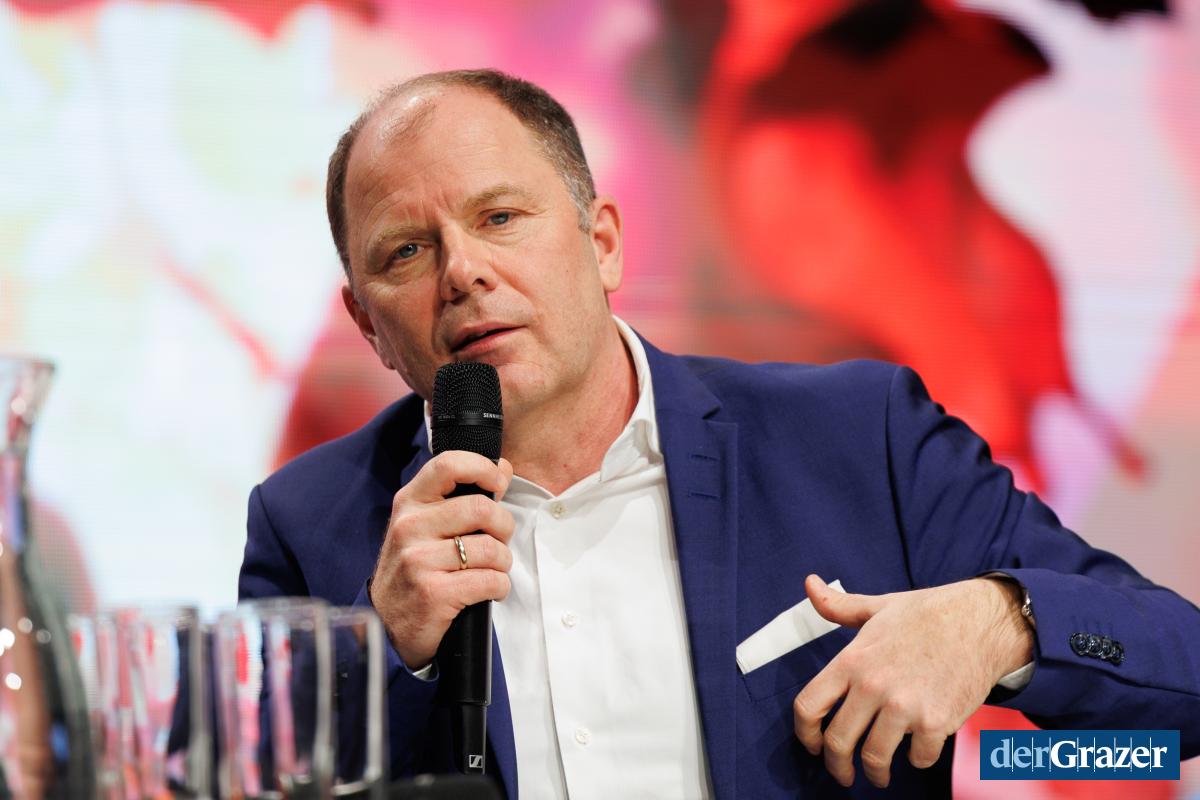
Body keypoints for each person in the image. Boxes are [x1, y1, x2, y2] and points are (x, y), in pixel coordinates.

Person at [239, 69, 1200, 798]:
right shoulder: (312, 525)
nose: (463, 272)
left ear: (603, 243)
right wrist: (382, 650)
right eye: (407, 252)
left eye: (500, 216)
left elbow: (1184, 680)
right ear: (367, 324)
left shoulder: (857, 441)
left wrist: (1000, 622)